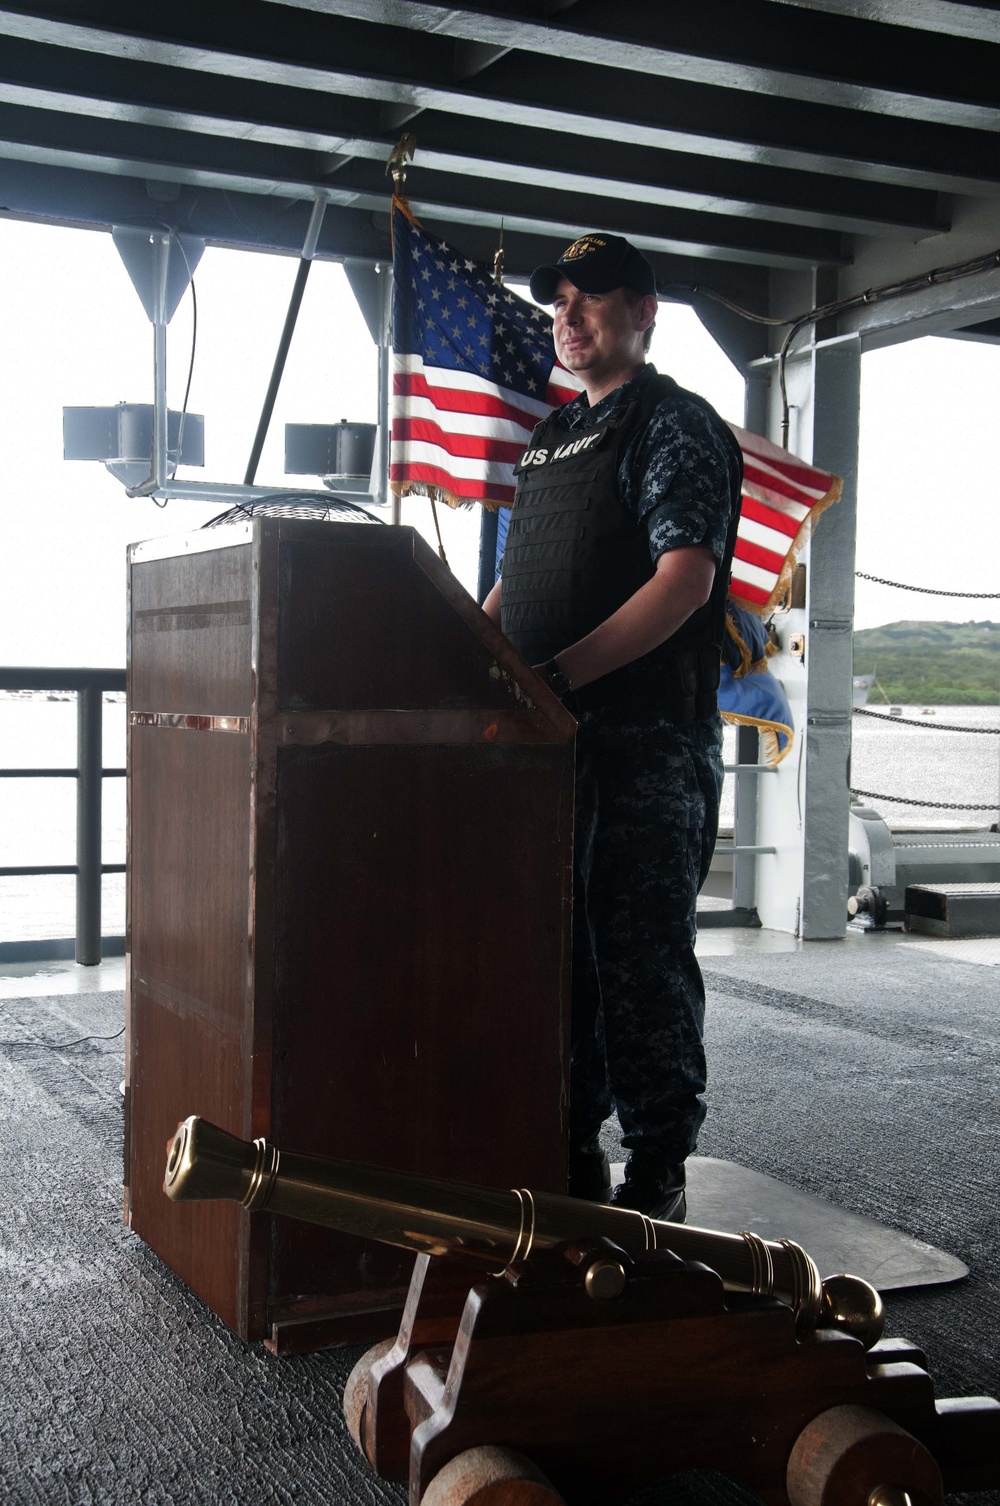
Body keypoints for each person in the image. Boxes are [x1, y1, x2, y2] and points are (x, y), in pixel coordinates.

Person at [481, 232, 743, 1221]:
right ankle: (570, 1145)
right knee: (556, 961)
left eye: (592, 298)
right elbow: (515, 584)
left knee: (635, 964)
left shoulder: (671, 425)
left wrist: (554, 677)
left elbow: (684, 582)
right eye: (559, 300)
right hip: (551, 753)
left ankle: (658, 1168)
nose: (568, 314)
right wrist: (471, 657)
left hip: (641, 749)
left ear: (643, 313)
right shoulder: (549, 442)